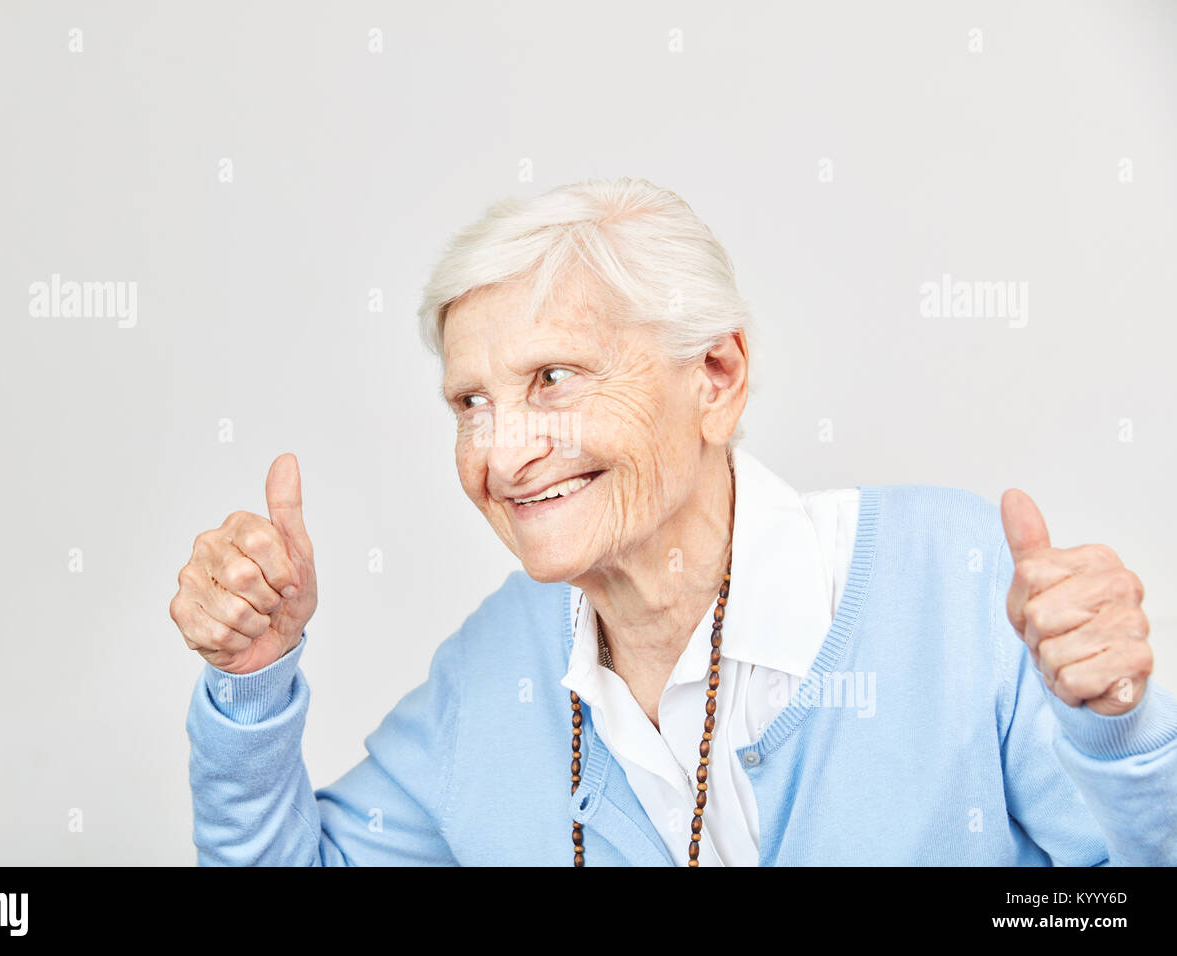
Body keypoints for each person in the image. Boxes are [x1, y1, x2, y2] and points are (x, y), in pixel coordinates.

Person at [171, 177, 1176, 866]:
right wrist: (253, 679)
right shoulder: (491, 672)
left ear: (718, 376)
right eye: (468, 401)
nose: (501, 450)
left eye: (552, 377)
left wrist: (1119, 729)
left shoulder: (957, 586)